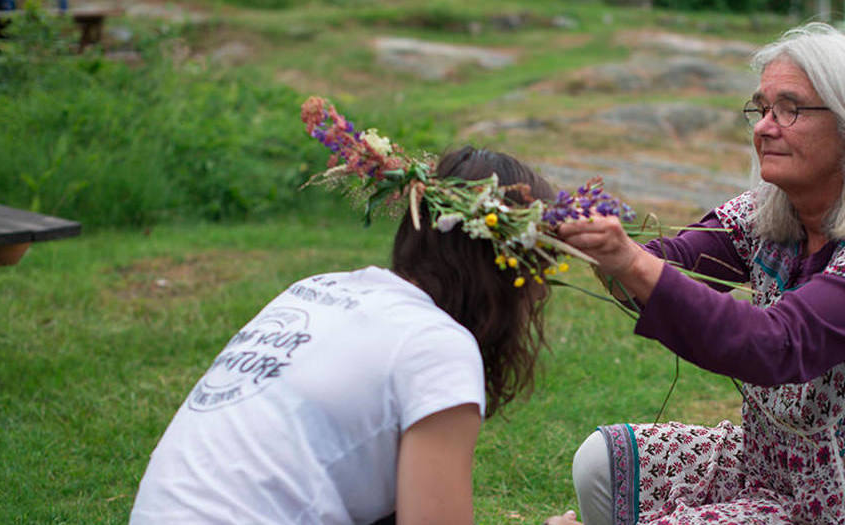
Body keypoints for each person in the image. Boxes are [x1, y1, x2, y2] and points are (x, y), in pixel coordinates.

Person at [554, 22, 845, 525]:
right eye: (762, 108)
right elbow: (670, 263)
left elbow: (778, 346)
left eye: (789, 109)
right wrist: (575, 236)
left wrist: (632, 262)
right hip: (773, 463)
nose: (763, 127)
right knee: (603, 461)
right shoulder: (771, 213)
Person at [131, 146, 557, 525]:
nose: (538, 295)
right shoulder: (438, 346)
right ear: (505, 271)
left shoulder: (314, 289)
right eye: (540, 273)